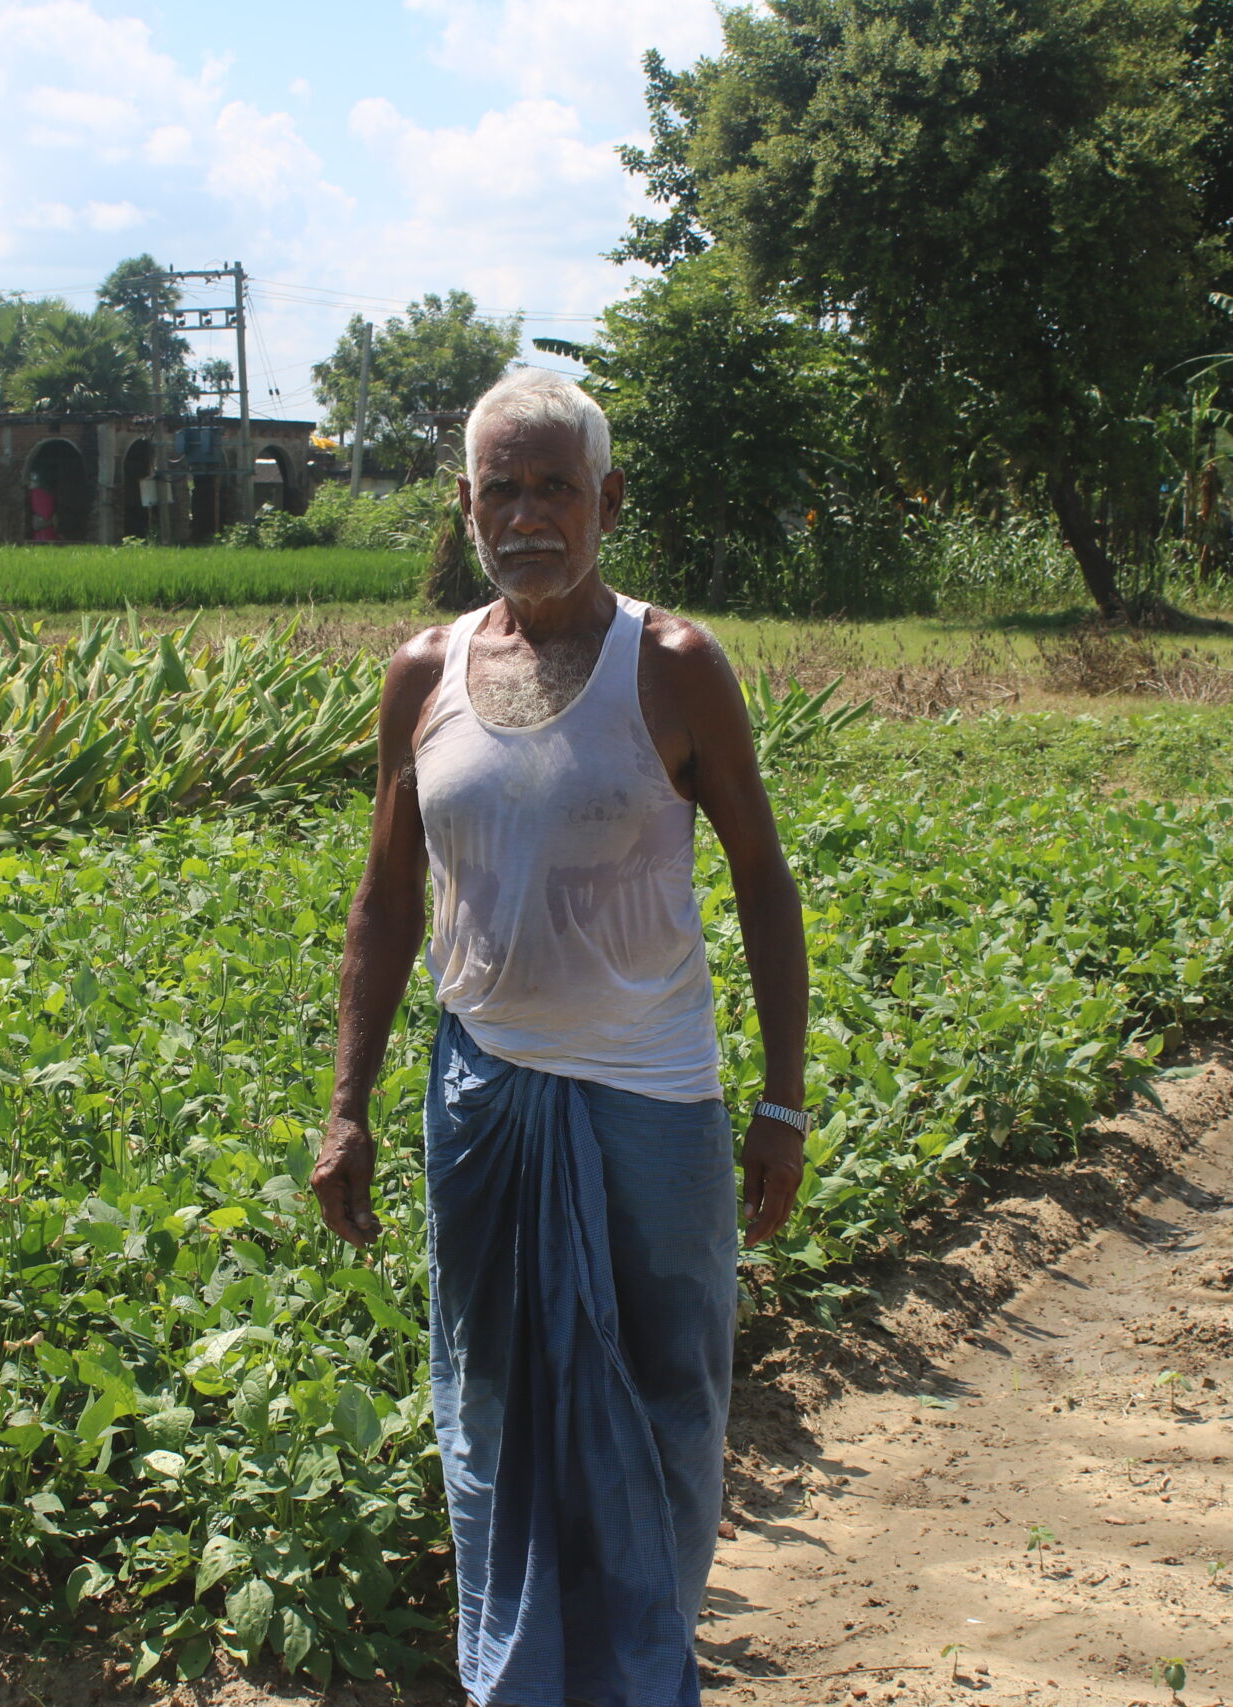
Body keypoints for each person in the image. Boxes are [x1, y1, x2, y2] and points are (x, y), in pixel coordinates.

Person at [312, 368, 811, 1707]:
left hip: (653, 1099)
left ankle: (644, 1671)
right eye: (502, 489)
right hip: (483, 1095)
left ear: (608, 499)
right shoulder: (424, 675)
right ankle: (519, 1679)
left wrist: (785, 1103)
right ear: (465, 502)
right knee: (494, 1399)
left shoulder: (676, 669)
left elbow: (763, 877)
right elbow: (390, 894)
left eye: (557, 487)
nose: (528, 515)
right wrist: (349, 1101)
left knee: (664, 1399)